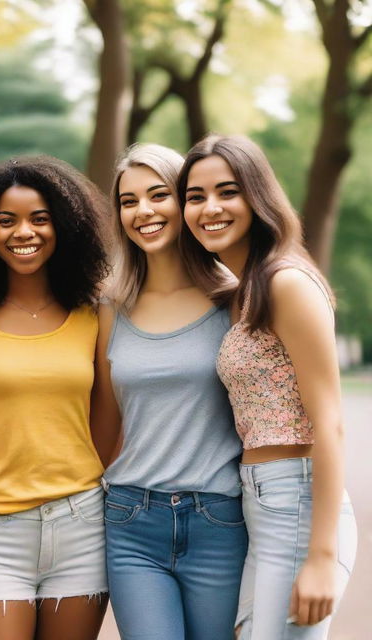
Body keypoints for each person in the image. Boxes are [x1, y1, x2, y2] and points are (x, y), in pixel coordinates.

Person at [179, 133, 357, 639]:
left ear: (258, 197)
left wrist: (322, 555)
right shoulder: (242, 293)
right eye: (195, 196)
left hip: (299, 500)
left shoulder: (286, 283)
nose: (210, 208)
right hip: (258, 505)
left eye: (227, 191)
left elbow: (330, 422)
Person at [0, 156, 110, 640]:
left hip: (82, 524)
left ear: (64, 226)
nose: (24, 232)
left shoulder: (94, 315)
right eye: (6, 220)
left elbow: (105, 425)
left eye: (40, 218)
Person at [90, 143, 247, 640]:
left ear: (185, 201)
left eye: (158, 195)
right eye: (128, 201)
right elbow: (105, 424)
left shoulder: (236, 298)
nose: (144, 212)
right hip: (132, 519)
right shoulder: (110, 307)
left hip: (219, 517)